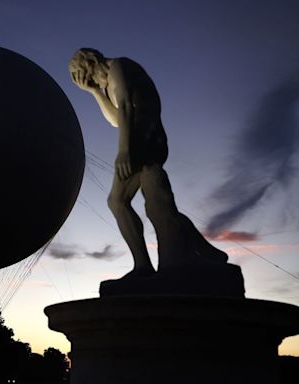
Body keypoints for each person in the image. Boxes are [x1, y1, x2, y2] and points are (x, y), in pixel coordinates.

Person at [69, 48, 226, 277]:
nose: (93, 82)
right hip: (141, 139)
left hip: (145, 140)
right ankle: (207, 251)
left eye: (89, 78)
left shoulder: (119, 67)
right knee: (157, 203)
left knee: (117, 201)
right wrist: (94, 92)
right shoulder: (107, 82)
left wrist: (124, 151)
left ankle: (143, 266)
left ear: (92, 65)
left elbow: (124, 108)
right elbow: (115, 120)